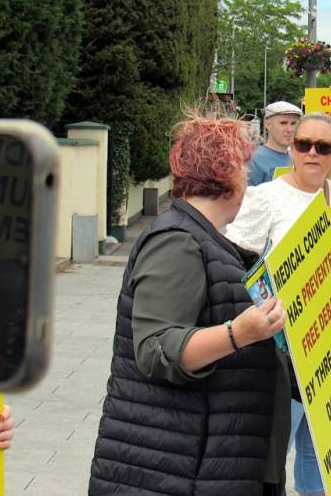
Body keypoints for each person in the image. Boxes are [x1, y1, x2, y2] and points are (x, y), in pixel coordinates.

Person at [89, 117, 291, 495]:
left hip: (213, 463)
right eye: (243, 168)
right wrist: (239, 333)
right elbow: (155, 348)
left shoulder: (208, 240)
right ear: (228, 173)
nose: (247, 179)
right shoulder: (176, 242)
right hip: (182, 471)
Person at [226, 113, 331, 496]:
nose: (312, 153)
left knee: (322, 461)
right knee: (272, 457)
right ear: (291, 149)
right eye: (304, 144)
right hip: (283, 356)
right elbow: (236, 267)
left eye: (323, 147)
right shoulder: (266, 198)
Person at [248, 101, 303, 186]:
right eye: (283, 123)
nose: (289, 129)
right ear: (267, 124)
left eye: (293, 123)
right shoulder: (254, 161)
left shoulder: (298, 158)